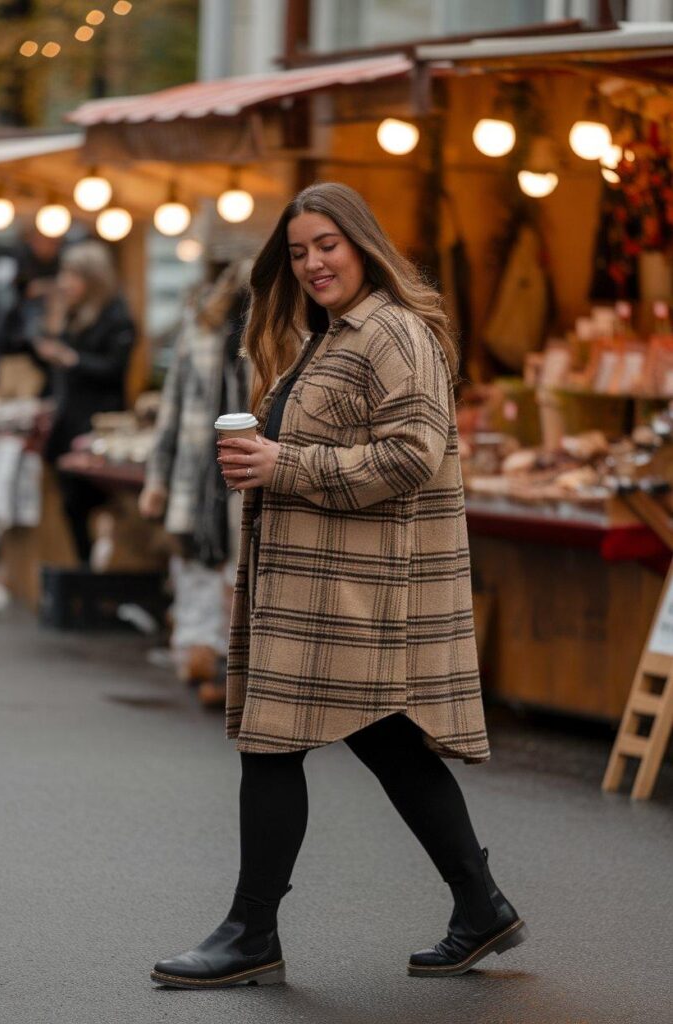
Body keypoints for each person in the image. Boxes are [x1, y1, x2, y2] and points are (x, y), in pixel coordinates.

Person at [151, 183, 528, 990]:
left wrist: (285, 463)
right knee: (386, 738)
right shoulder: (331, 336)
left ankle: (251, 932)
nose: (313, 262)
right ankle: (480, 904)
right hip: (321, 585)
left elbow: (410, 456)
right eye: (298, 252)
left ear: (361, 243)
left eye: (326, 244)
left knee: (272, 744)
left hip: (352, 591)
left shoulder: (391, 332)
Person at [139, 259, 251, 701]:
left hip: (244, 470)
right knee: (202, 564)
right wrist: (157, 480)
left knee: (235, 571)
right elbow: (171, 412)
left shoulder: (280, 335)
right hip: (203, 472)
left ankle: (225, 667)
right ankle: (205, 657)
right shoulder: (200, 333)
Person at [35, 240, 135, 563]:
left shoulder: (117, 317)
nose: (65, 282)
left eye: (72, 275)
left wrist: (72, 359)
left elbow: (114, 369)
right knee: (71, 504)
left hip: (98, 425)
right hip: (68, 422)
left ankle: (96, 574)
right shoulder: (74, 315)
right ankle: (84, 573)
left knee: (91, 503)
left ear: (92, 279)